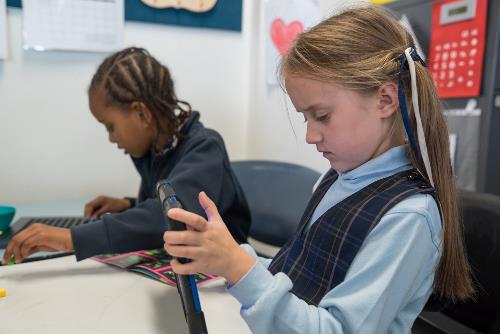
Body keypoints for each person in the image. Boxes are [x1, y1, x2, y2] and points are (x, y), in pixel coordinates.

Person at [162, 6, 475, 333]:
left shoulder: (408, 217)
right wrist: (229, 258)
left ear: (385, 100)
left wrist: (239, 268)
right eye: (305, 118)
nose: (310, 136)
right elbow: (302, 274)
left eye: (322, 116)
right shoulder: (337, 177)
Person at [3, 47, 250, 264]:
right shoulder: (156, 149)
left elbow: (172, 218)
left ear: (141, 114)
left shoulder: (205, 148)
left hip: (223, 283)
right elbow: (169, 198)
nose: (111, 137)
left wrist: (72, 238)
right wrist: (128, 204)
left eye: (110, 126)